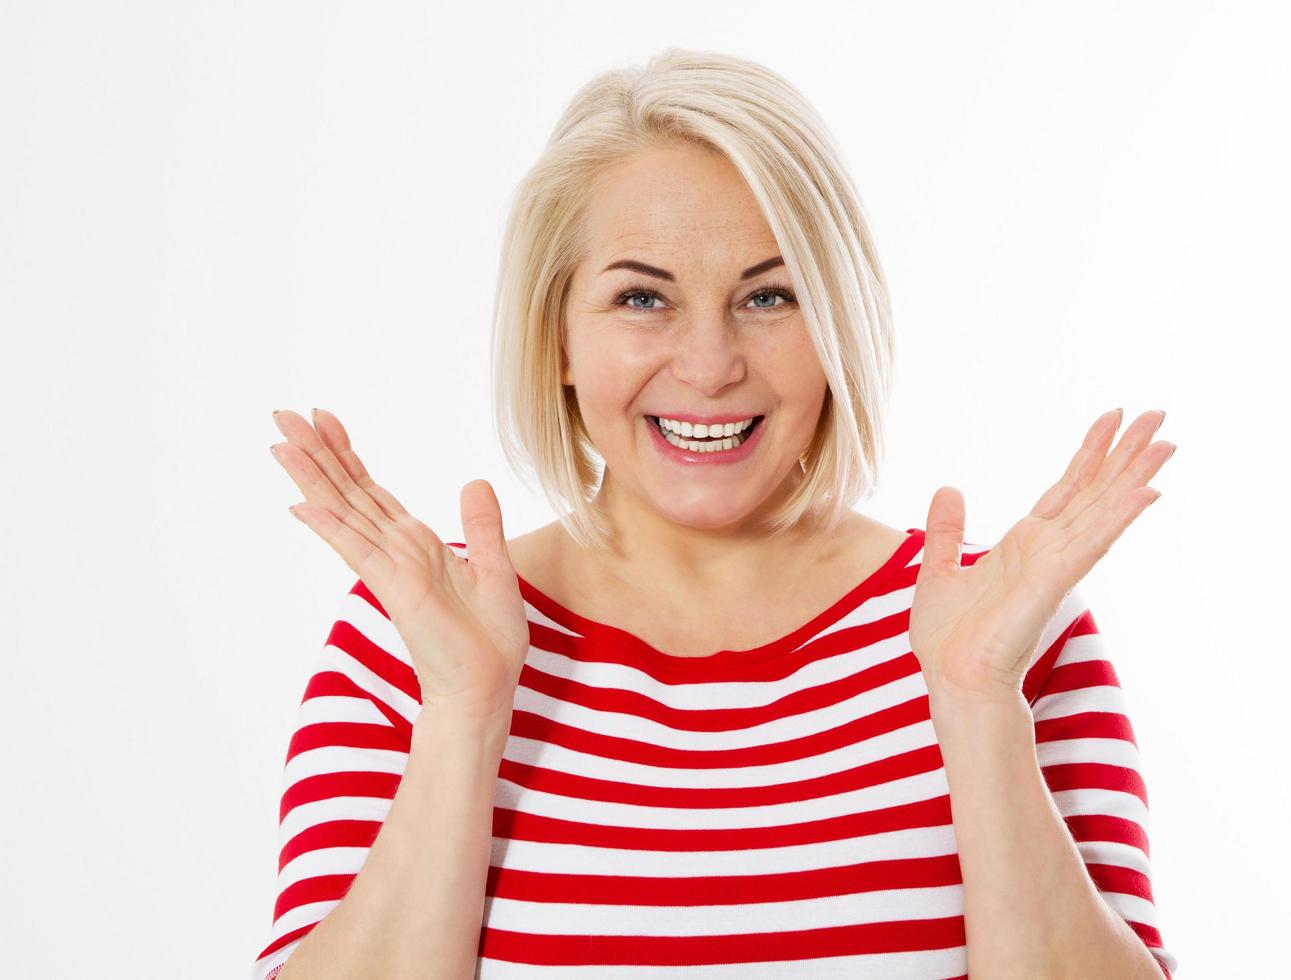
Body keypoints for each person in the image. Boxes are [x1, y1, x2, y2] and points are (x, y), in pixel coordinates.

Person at [253, 48, 1178, 980]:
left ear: (837, 328)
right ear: (558, 337)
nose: (708, 365)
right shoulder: (412, 638)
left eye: (769, 296)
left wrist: (978, 705)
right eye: (642, 297)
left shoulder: (1011, 632)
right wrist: (463, 711)